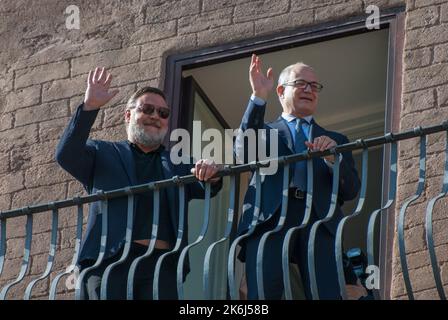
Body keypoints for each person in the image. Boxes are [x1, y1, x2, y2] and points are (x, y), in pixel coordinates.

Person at [55, 67, 222, 300]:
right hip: (108, 262)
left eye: (163, 113)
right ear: (128, 115)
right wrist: (89, 108)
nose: (156, 116)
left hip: (161, 267)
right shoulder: (102, 152)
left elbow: (208, 186)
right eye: (147, 109)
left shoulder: (177, 163)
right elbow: (66, 155)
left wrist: (212, 172)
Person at [236, 54, 361, 299]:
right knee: (263, 293)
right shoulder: (265, 131)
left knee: (326, 293)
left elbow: (351, 190)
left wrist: (333, 158)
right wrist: (259, 97)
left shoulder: (337, 139)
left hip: (319, 220)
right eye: (301, 84)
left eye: (314, 86)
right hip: (270, 218)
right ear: (281, 91)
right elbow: (242, 151)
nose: (309, 89)